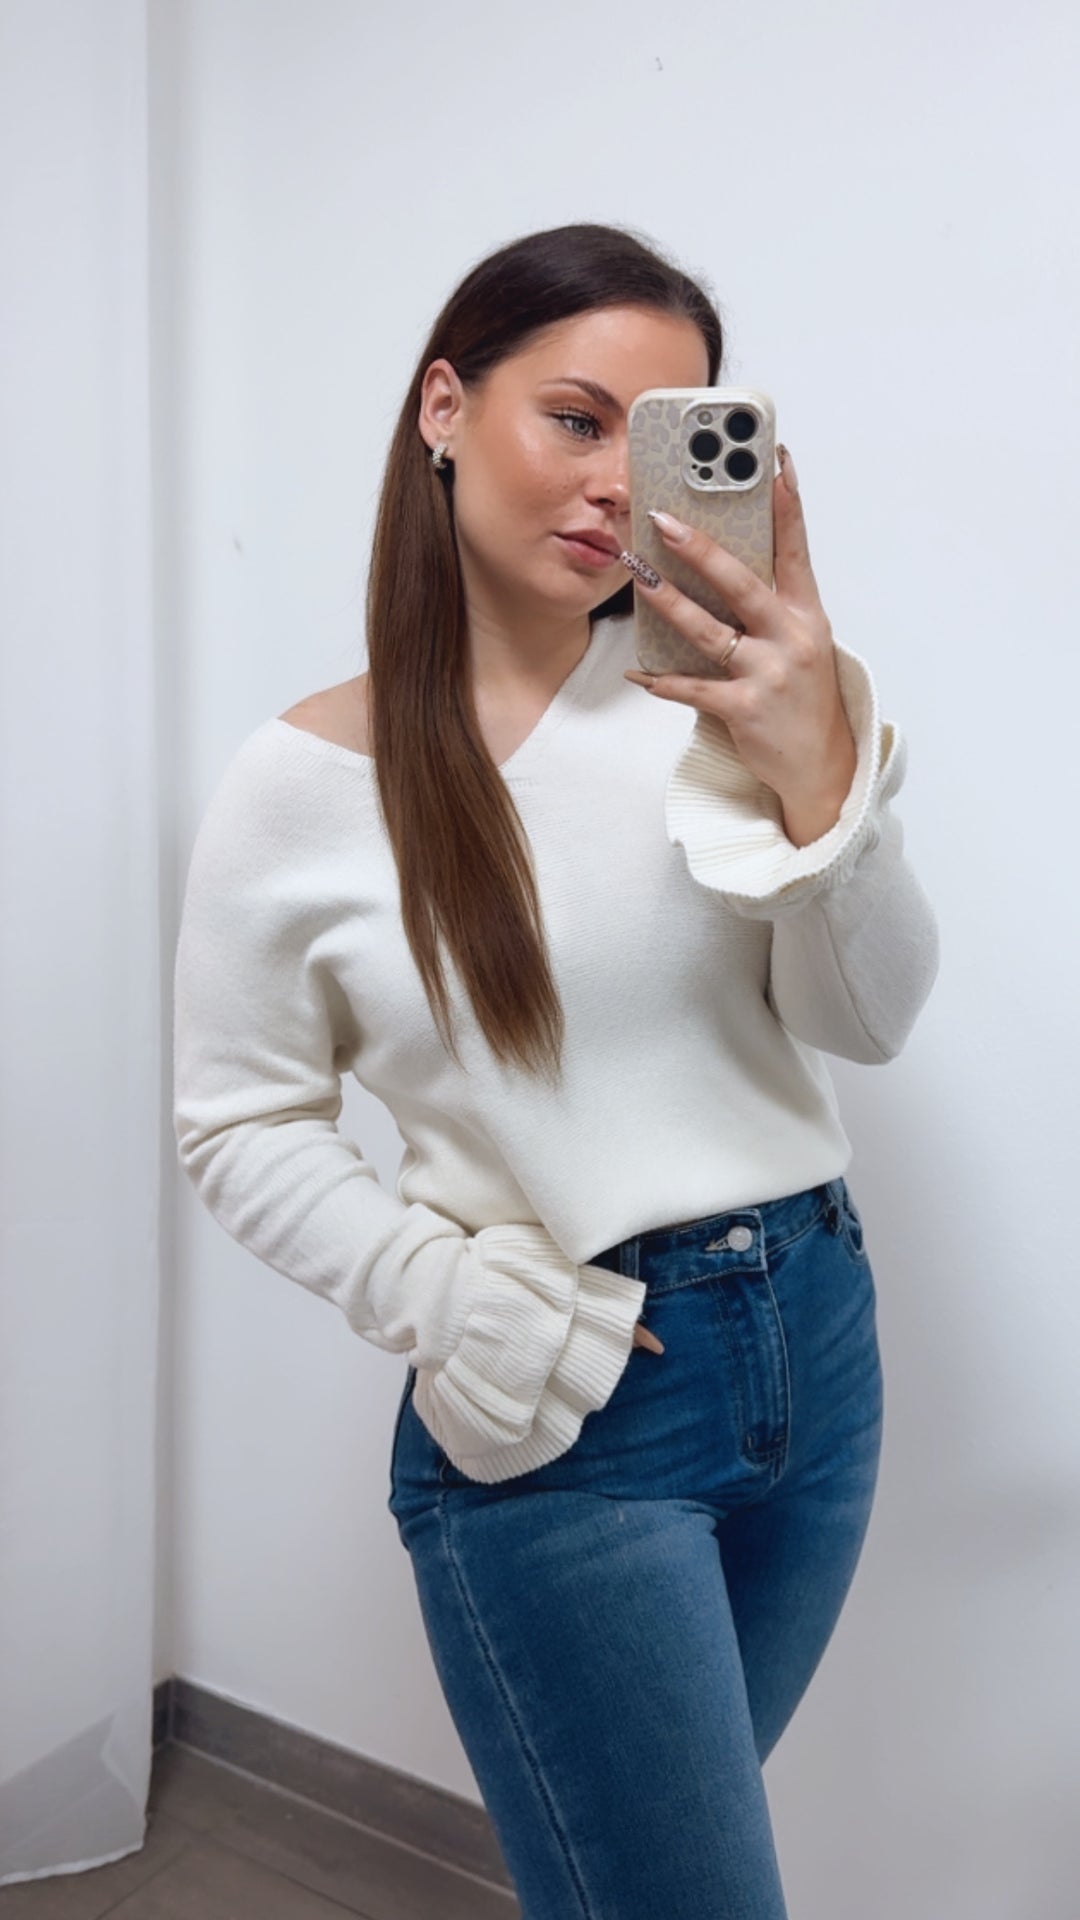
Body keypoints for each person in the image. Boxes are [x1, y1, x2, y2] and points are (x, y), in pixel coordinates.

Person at [172, 221, 939, 1919]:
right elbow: (240, 1122)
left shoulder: (728, 702)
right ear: (445, 406)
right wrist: (448, 1300)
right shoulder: (299, 785)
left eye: (652, 439)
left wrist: (820, 776)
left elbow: (869, 1017)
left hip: (817, 1343)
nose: (609, 483)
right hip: (573, 1401)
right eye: (575, 417)